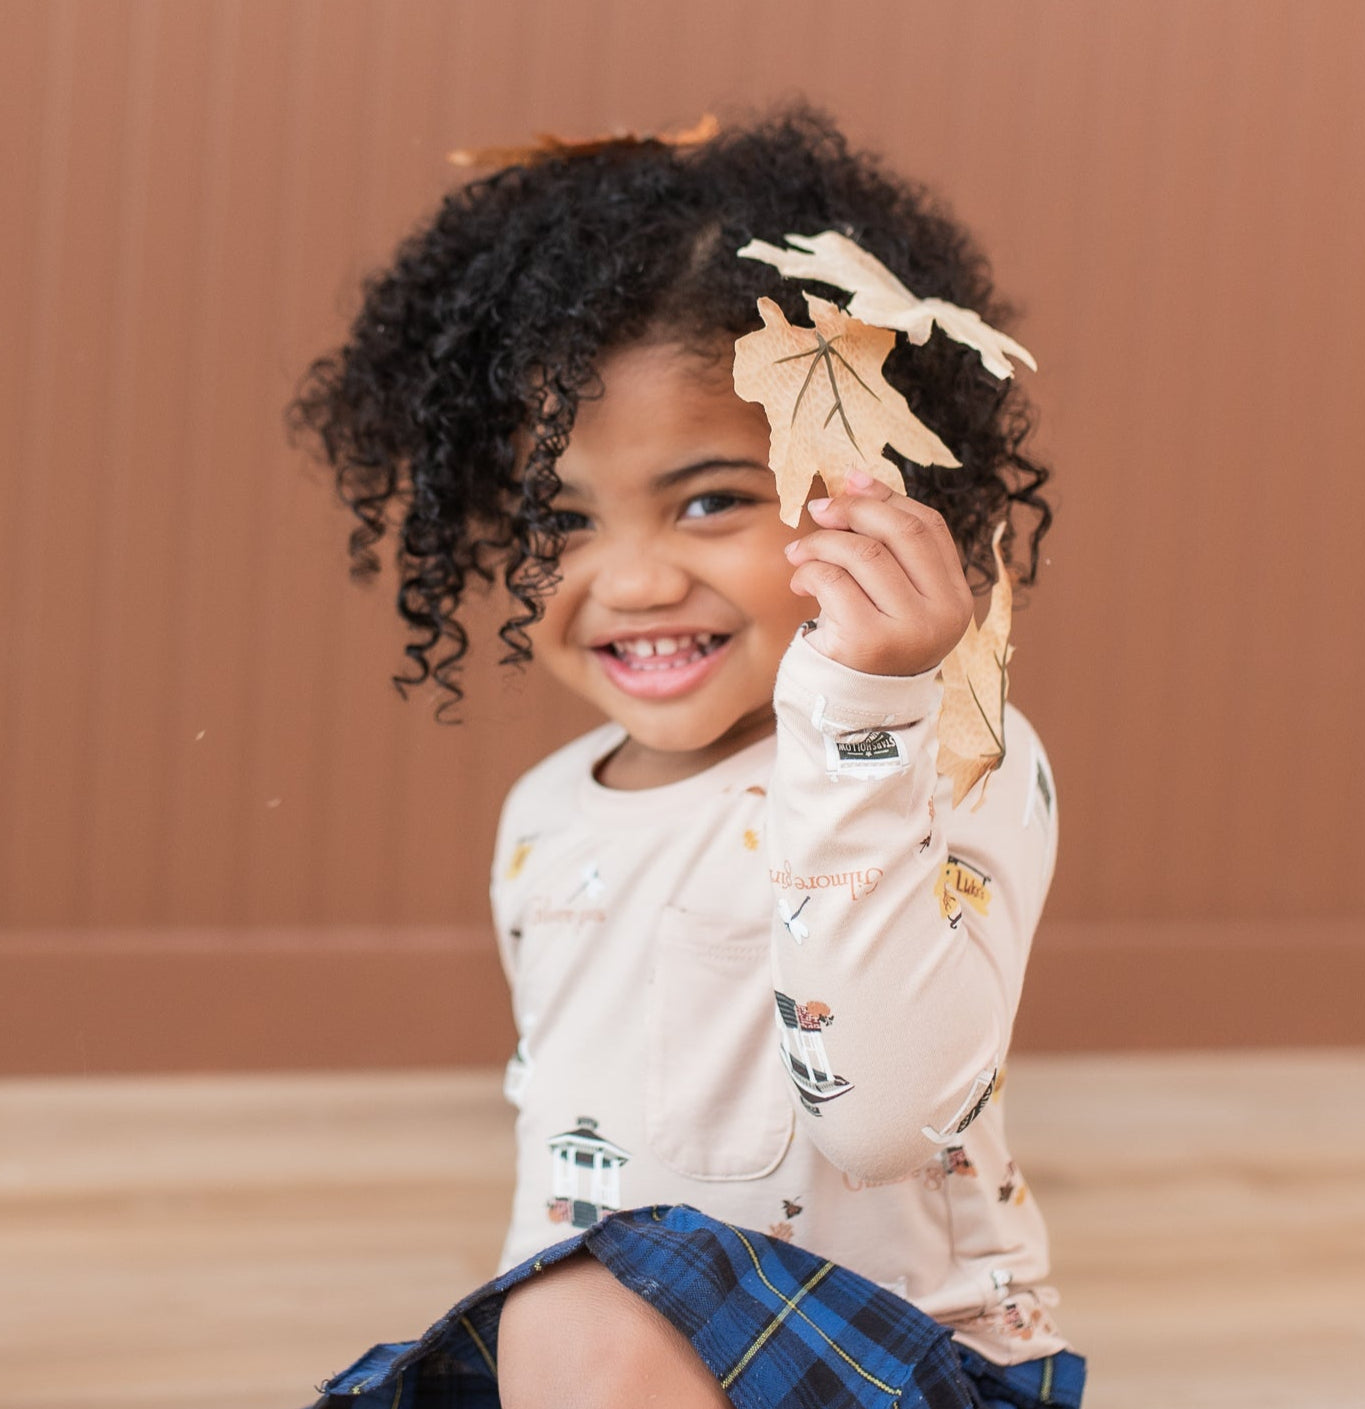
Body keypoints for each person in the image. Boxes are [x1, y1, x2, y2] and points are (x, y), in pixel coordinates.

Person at [291, 106, 1084, 1409]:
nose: (635, 578)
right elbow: (564, 1181)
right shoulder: (548, 810)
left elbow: (880, 1119)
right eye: (556, 518)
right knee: (557, 1292)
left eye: (710, 499)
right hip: (615, 1364)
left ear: (867, 480)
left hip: (899, 1370)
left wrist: (864, 714)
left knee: (592, 1292)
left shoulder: (945, 753)